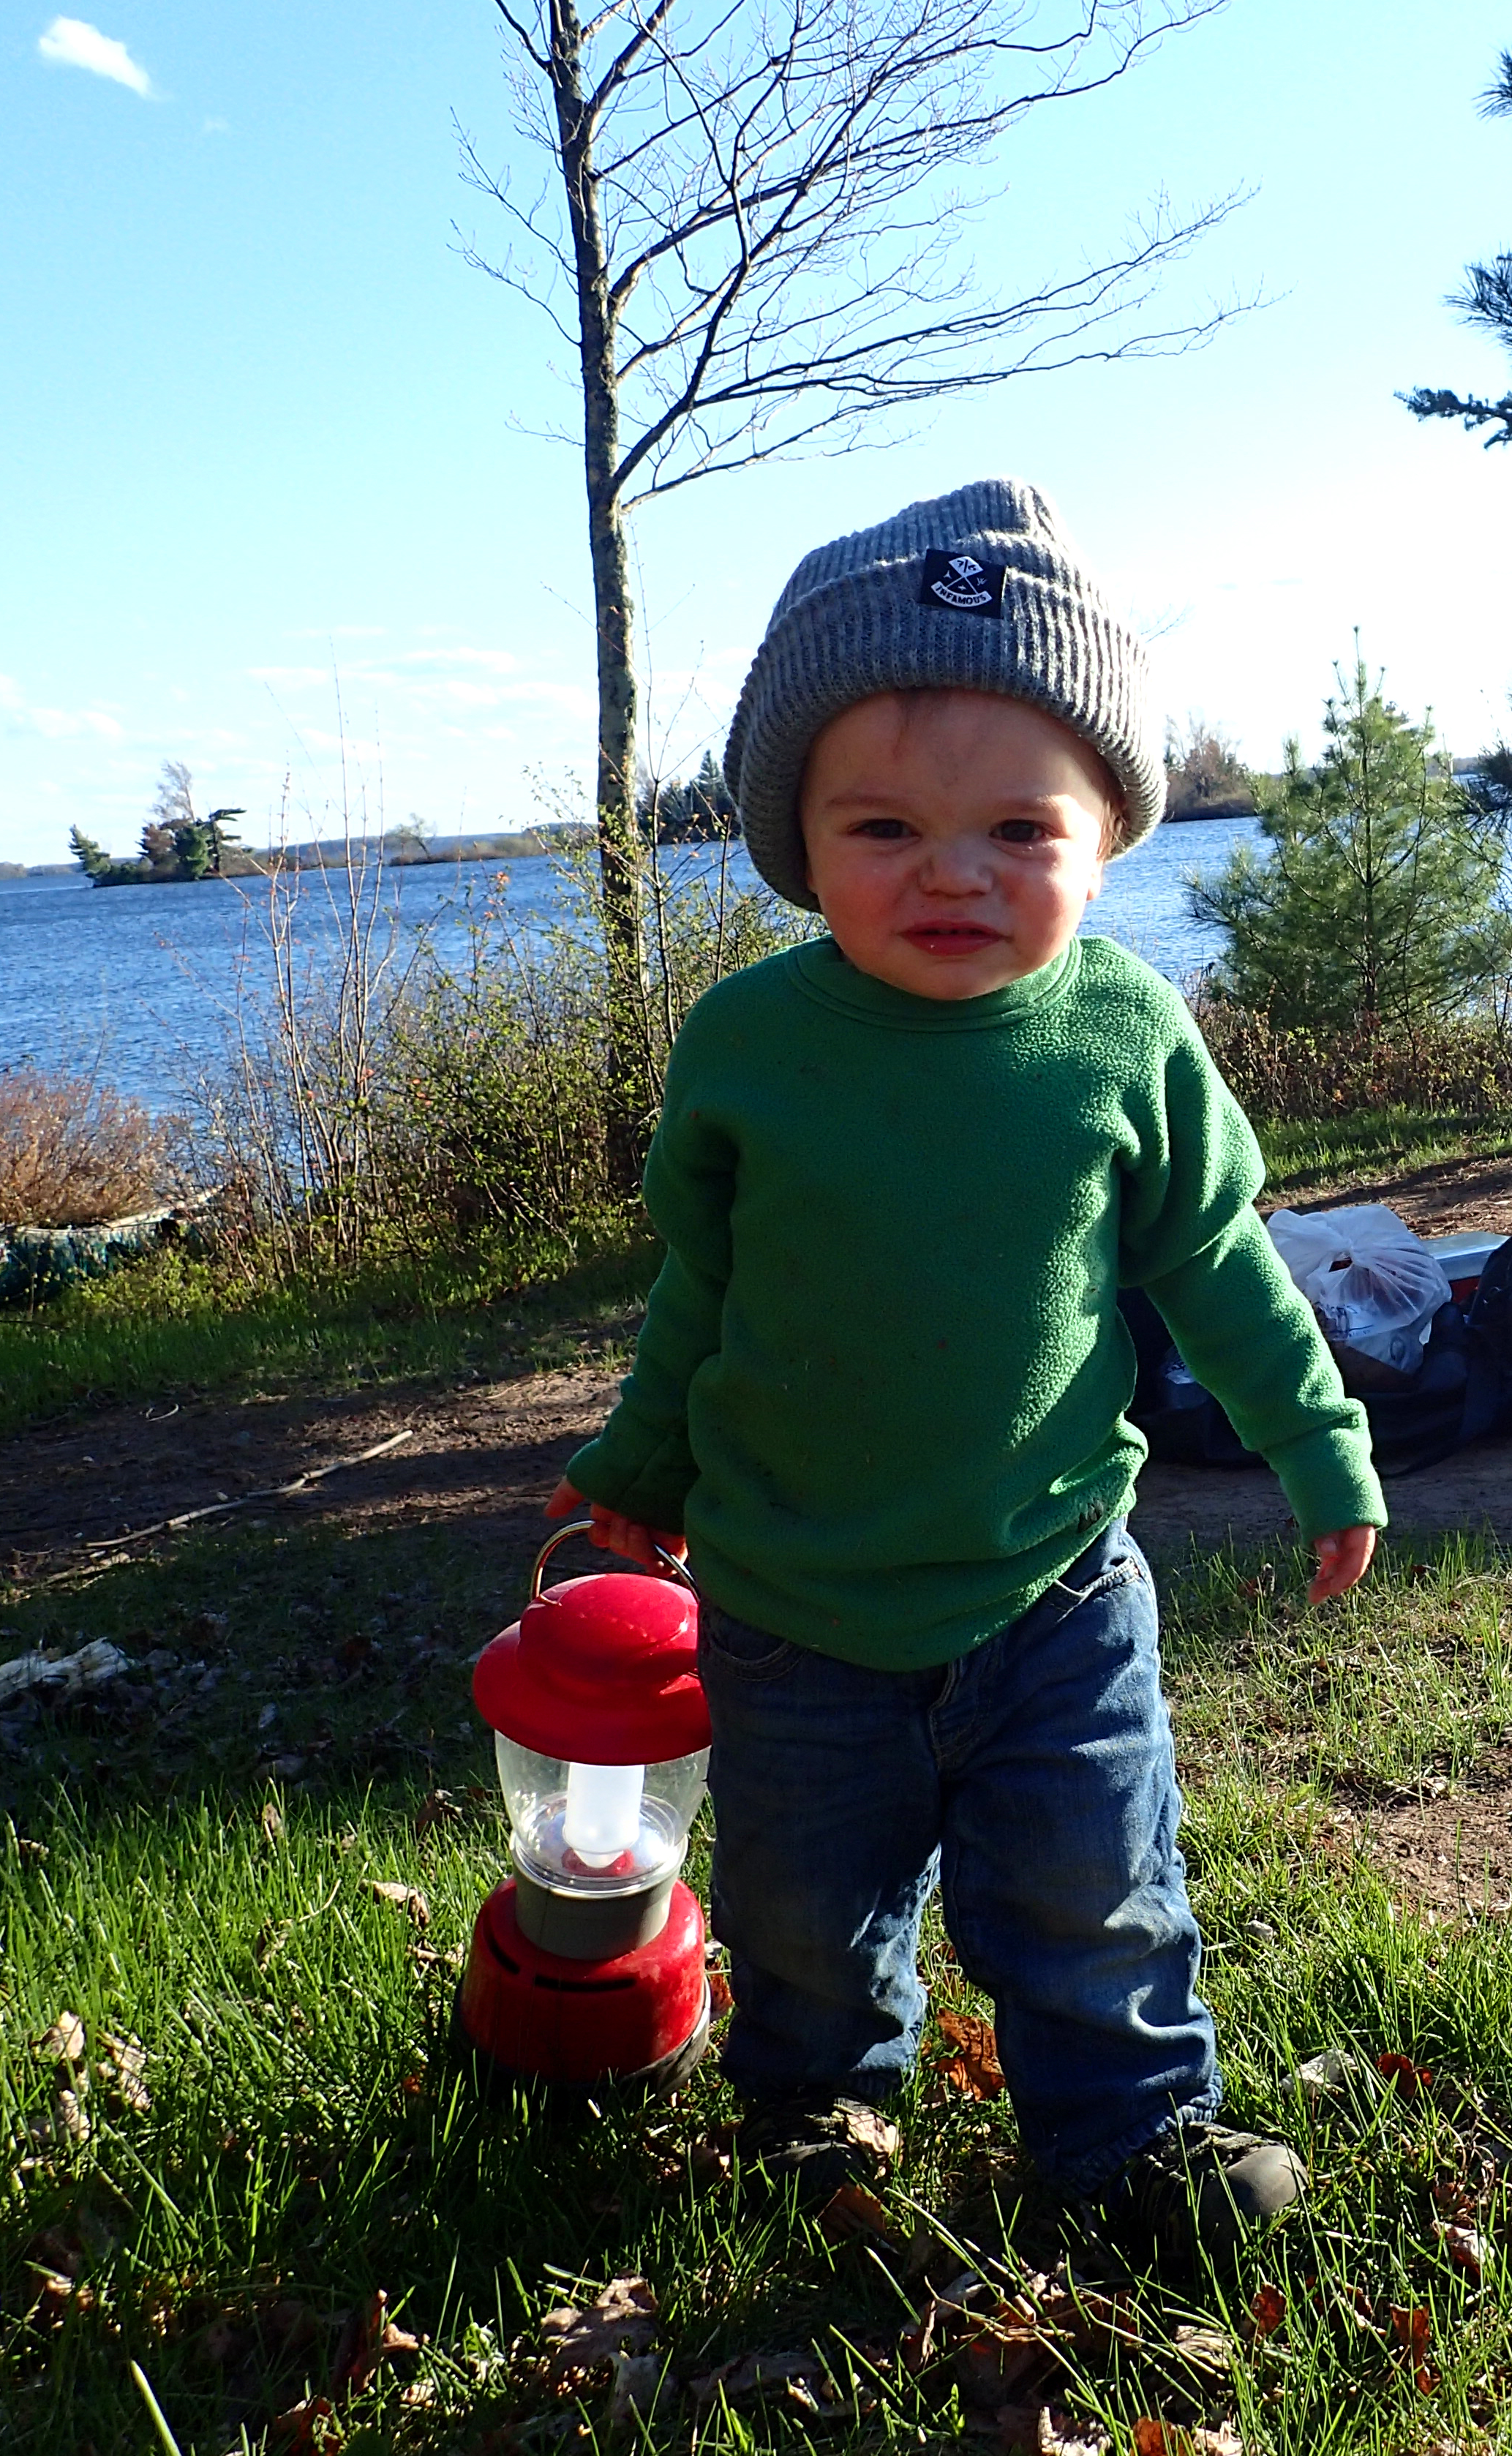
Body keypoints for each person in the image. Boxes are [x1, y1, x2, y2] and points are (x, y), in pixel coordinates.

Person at [547, 478, 1385, 2256]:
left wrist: (1318, 1444)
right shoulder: (754, 1045)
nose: (953, 872)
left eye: (1018, 828)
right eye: (885, 829)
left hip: (1053, 1580)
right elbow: (704, 1285)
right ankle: (821, 2109)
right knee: (803, 1900)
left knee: (1094, 1885)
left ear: (1105, 835)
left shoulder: (1123, 1032)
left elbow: (1219, 1262)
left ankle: (1131, 2144)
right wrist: (638, 1463)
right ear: (796, 840)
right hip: (789, 1594)